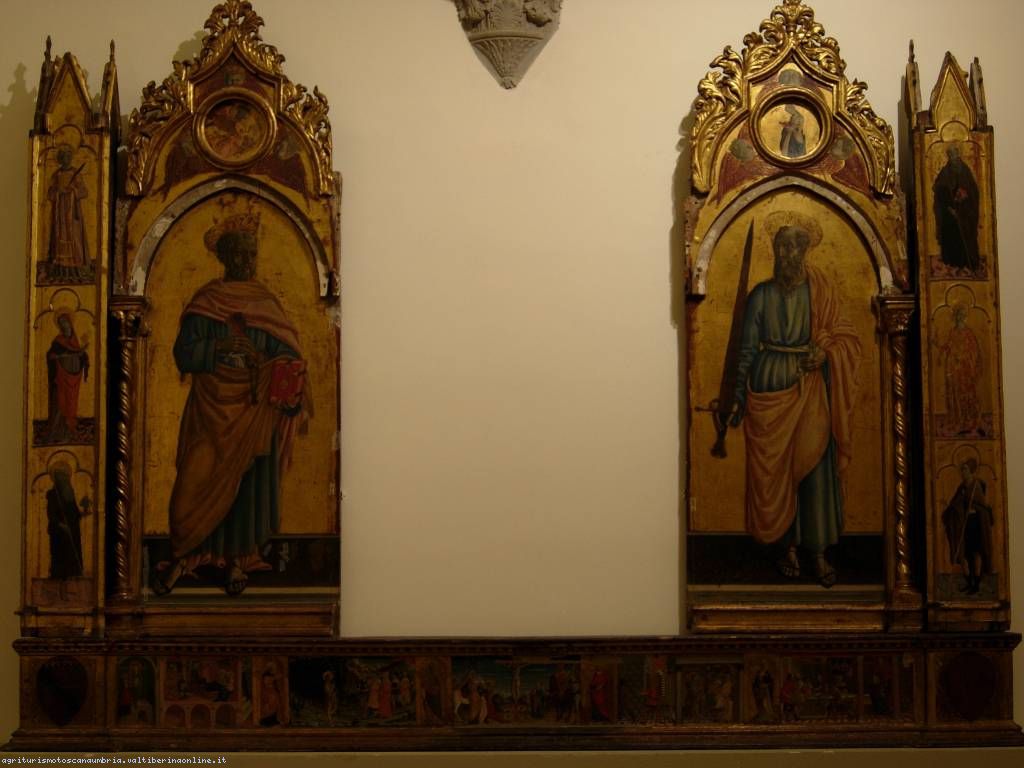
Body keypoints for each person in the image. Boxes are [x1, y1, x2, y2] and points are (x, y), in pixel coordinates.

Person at [153, 201, 309, 596]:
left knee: (248, 484)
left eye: (250, 253)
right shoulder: (206, 302)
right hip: (210, 410)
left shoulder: (266, 304)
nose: (245, 260)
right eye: (238, 253)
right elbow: (183, 354)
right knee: (195, 479)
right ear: (224, 257)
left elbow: (287, 354)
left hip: (254, 411)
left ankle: (239, 559)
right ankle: (188, 555)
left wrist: (284, 377)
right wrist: (217, 348)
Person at [728, 212, 862, 587]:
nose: (787, 253)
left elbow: (846, 336)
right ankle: (786, 547)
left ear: (805, 251)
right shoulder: (761, 295)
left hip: (810, 389)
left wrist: (825, 352)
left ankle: (817, 552)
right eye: (781, 246)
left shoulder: (820, 291)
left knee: (815, 468)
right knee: (777, 473)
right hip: (768, 389)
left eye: (793, 246)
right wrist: (737, 397)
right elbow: (745, 351)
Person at [942, 458, 994, 595]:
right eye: (962, 469)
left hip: (975, 523)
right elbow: (955, 503)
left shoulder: (977, 485)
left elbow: (982, 506)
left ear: (971, 470)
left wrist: (972, 508)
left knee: (976, 553)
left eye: (965, 469)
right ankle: (970, 582)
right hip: (964, 524)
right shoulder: (962, 487)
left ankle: (976, 583)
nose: (962, 471)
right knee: (967, 554)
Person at [44, 462, 91, 592]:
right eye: (61, 477)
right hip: (59, 533)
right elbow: (51, 515)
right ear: (56, 479)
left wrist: (85, 509)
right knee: (60, 560)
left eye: (66, 477)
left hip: (73, 532)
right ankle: (59, 587)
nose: (64, 479)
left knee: (72, 562)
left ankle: (71, 588)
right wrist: (62, 526)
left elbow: (75, 514)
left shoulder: (70, 493)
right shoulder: (52, 494)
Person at [933, 145, 980, 275]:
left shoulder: (965, 171)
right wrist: (949, 204)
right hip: (949, 211)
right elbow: (938, 188)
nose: (954, 160)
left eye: (956, 157)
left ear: (959, 157)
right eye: (952, 157)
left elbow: (973, 190)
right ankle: (952, 261)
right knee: (951, 233)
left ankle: (967, 262)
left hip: (964, 211)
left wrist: (965, 194)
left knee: (965, 233)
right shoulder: (945, 171)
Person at [46, 145, 90, 281]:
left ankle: (75, 270)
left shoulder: (76, 173)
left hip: (72, 212)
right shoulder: (56, 175)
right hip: (60, 212)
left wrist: (73, 190)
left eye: (68, 156)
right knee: (60, 237)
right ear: (60, 159)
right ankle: (61, 269)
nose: (66, 159)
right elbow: (50, 193)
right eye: (63, 157)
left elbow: (84, 191)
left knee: (74, 238)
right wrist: (58, 191)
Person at [939, 304, 983, 436]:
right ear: (955, 316)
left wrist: (963, 357)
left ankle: (969, 421)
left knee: (966, 393)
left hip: (965, 368)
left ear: (964, 317)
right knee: (955, 394)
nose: (960, 317)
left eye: (962, 315)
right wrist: (938, 347)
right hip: (953, 368)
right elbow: (948, 346)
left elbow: (974, 350)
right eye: (958, 315)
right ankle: (957, 420)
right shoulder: (953, 332)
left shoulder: (968, 333)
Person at [45, 313, 89, 443]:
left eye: (65, 322)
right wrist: (58, 357)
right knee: (60, 404)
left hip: (73, 379)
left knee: (71, 404)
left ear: (70, 323)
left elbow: (79, 355)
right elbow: (50, 355)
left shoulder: (75, 341)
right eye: (61, 323)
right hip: (60, 378)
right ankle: (55, 433)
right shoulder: (58, 341)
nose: (64, 325)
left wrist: (83, 356)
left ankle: (70, 431)